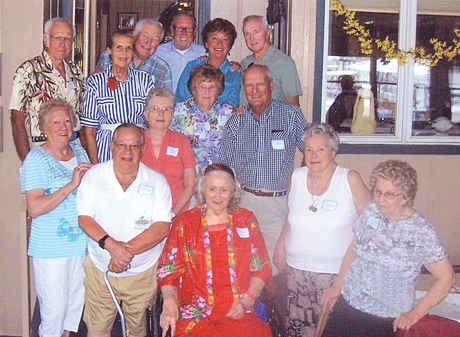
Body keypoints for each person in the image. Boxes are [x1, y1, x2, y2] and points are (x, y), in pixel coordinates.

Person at [321, 160, 456, 337]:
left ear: (406, 197)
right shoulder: (371, 210)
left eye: (390, 194)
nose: (381, 199)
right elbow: (353, 249)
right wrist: (337, 286)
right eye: (377, 191)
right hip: (349, 304)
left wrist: (414, 314)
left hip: (384, 318)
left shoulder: (420, 230)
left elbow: (447, 278)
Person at [272, 123, 372, 337]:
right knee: (297, 329)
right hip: (296, 273)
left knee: (331, 330)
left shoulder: (349, 179)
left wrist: (345, 275)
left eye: (321, 149)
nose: (313, 155)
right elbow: (292, 215)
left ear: (334, 152)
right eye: (308, 149)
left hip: (335, 276)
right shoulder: (297, 177)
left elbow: (370, 224)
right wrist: (281, 244)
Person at [77, 123, 173, 337]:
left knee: (137, 331)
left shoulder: (158, 182)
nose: (127, 152)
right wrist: (112, 247)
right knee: (97, 330)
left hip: (141, 275)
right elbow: (84, 218)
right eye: (122, 145)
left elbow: (162, 227)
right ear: (112, 146)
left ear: (143, 149)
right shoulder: (94, 176)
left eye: (134, 146)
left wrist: (123, 253)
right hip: (100, 272)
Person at [157, 163, 272, 337]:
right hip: (195, 314)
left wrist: (246, 301)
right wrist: (169, 301)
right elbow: (167, 272)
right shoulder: (185, 223)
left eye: (224, 190)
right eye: (212, 189)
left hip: (238, 310)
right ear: (202, 189)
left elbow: (262, 268)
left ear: (233, 192)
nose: (217, 196)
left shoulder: (246, 220)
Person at [219, 64, 306, 277]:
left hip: (276, 205)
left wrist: (302, 185)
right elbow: (224, 168)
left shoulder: (290, 114)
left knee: (276, 267)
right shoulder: (236, 121)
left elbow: (311, 150)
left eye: (260, 84)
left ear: (271, 85)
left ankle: (271, 310)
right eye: (249, 85)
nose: (255, 90)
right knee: (242, 264)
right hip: (243, 202)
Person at [20, 98, 92, 337]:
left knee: (72, 314)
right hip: (51, 248)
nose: (64, 127)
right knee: (53, 315)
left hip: (81, 244)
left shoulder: (79, 151)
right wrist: (71, 185)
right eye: (56, 122)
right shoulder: (36, 159)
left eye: (68, 121)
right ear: (44, 128)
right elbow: (35, 208)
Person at [10, 17, 84, 161]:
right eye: (57, 38)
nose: (62, 44)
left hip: (73, 146)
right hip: (43, 147)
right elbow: (16, 120)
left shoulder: (76, 72)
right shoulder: (28, 71)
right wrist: (28, 162)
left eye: (67, 39)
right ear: (46, 39)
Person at [80, 32, 155, 164]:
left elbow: (152, 123)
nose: (124, 53)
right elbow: (89, 131)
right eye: (119, 47)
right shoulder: (95, 82)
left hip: (137, 149)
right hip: (106, 150)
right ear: (109, 50)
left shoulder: (145, 80)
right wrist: (95, 165)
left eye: (128, 48)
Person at [142, 88, 196, 215]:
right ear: (146, 114)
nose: (161, 114)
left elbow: (190, 183)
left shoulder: (181, 141)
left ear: (172, 114)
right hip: (142, 213)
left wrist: (173, 214)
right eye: (155, 109)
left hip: (177, 213)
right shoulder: (136, 141)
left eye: (166, 109)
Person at [171, 64, 233, 172]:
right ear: (193, 89)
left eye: (212, 87)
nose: (207, 92)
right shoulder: (177, 112)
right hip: (187, 178)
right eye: (202, 87)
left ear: (218, 90)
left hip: (219, 179)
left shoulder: (229, 113)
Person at [175, 18, 241, 106]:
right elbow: (180, 99)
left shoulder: (235, 73)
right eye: (214, 38)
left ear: (229, 45)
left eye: (225, 39)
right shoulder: (192, 66)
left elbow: (232, 104)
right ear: (206, 44)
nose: (219, 43)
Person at [240, 15, 302, 106]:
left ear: (268, 33)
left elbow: (294, 108)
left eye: (256, 32)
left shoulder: (284, 63)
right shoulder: (245, 63)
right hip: (245, 120)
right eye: (247, 34)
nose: (251, 38)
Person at [95, 18, 173, 90]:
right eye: (145, 36)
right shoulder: (109, 56)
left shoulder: (162, 69)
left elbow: (168, 101)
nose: (148, 42)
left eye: (155, 39)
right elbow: (95, 87)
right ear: (135, 35)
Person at [155, 13, 206, 92]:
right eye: (179, 28)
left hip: (194, 103)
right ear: (172, 30)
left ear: (195, 31)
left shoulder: (205, 53)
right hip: (165, 102)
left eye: (188, 29)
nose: (184, 33)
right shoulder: (157, 53)